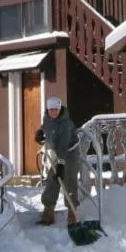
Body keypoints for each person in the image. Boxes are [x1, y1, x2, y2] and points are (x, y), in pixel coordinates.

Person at [34, 96, 79, 226]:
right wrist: (40, 133)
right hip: (56, 152)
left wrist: (61, 164)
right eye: (51, 109)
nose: (54, 112)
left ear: (60, 109)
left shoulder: (67, 124)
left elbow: (63, 146)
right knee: (52, 180)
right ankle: (48, 213)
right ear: (48, 110)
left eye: (56, 109)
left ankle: (72, 214)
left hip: (69, 153)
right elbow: (46, 127)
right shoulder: (47, 119)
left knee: (68, 181)